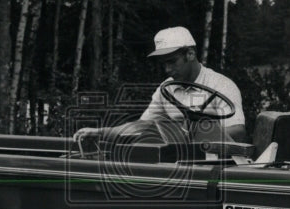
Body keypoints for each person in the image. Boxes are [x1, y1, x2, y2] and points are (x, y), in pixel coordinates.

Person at [75, 26, 247, 145]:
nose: (167, 69)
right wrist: (101, 133)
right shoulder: (166, 89)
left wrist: (194, 140)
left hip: (219, 168)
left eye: (172, 61)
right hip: (180, 166)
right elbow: (142, 126)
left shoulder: (221, 85)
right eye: (164, 63)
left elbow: (238, 131)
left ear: (190, 53)